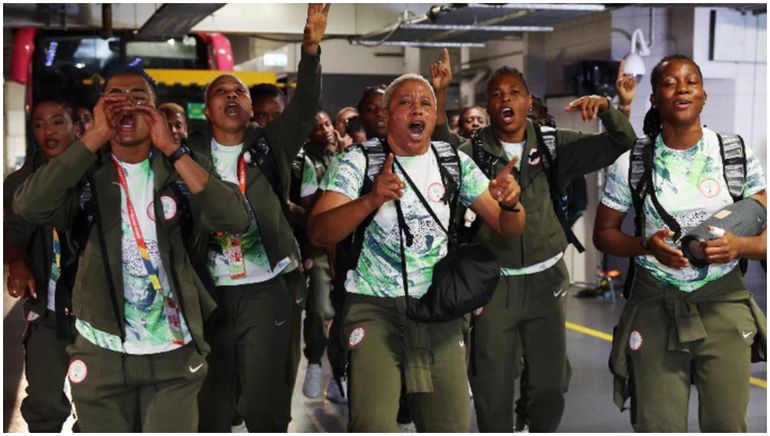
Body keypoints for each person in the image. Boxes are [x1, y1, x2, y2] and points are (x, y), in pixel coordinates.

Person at [12, 65, 250, 432]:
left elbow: (235, 218)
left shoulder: (181, 170)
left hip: (175, 351)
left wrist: (171, 148)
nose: (127, 107)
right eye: (115, 99)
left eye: (139, 99)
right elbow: (28, 206)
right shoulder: (86, 174)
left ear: (155, 113)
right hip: (101, 351)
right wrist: (93, 138)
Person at [429, 48, 637, 432]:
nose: (505, 98)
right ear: (488, 107)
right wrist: (440, 96)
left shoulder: (557, 145)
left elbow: (620, 143)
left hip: (546, 283)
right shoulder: (471, 152)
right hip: (493, 285)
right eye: (496, 94)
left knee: (551, 383)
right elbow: (441, 153)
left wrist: (613, 107)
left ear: (527, 101)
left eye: (513, 92)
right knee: (491, 384)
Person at [308, 73, 526, 432]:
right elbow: (319, 231)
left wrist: (513, 203)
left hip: (438, 308)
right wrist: (371, 199)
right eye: (405, 102)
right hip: (373, 307)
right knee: (372, 425)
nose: (417, 109)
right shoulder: (358, 162)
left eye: (425, 103)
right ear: (386, 115)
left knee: (449, 424)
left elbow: (508, 228)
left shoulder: (452, 162)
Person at [594, 55, 767, 432]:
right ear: (655, 98)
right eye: (670, 83)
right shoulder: (633, 163)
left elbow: (764, 222)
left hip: (723, 304)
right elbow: (603, 234)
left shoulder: (734, 155)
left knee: (727, 424)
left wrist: (740, 247)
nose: (683, 88)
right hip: (656, 306)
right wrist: (646, 246)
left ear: (703, 94)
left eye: (691, 81)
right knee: (658, 424)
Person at [189, 4, 327, 432]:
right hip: (208, 294)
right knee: (212, 404)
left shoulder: (271, 145)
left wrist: (310, 50)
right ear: (206, 109)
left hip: (266, 289)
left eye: (240, 92)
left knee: (265, 404)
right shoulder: (187, 154)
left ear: (250, 108)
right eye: (221, 92)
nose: (232, 96)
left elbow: (304, 106)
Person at [4, 98, 79, 432]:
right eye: (38, 124)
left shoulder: (98, 171)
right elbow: (14, 229)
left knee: (101, 404)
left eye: (57, 122)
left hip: (97, 314)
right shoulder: (20, 181)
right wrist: (17, 261)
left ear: (77, 125)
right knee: (44, 403)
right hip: (47, 311)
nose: (48, 131)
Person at [293, 110, 342, 401]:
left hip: (346, 246)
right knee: (320, 308)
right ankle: (314, 362)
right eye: (316, 126)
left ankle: (340, 373)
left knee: (347, 312)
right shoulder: (305, 162)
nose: (324, 129)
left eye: (326, 123)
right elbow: (306, 211)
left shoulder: (347, 155)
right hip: (319, 247)